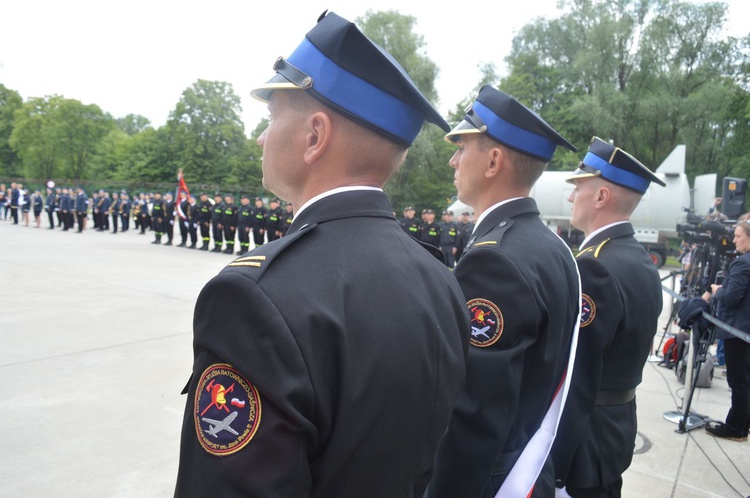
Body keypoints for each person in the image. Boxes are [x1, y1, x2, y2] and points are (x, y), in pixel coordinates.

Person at [174, 11, 470, 497]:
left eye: (272, 116)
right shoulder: (440, 279)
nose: (262, 137)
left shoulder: (255, 299)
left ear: (314, 136)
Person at [426, 85, 581, 498]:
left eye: (462, 146)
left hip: (493, 483)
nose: (452, 159)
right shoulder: (551, 246)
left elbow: (471, 417)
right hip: (528, 468)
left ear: (493, 161)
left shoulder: (494, 261)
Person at [550, 137, 666, 498]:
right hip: (613, 431)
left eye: (578, 187)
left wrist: (554, 457)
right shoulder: (638, 260)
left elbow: (575, 377)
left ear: (601, 197)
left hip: (583, 443)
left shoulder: (596, 265)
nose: (570, 197)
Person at [702, 218, 750, 441]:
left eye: (738, 236)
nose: (734, 240)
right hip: (744, 329)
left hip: (737, 330)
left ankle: (736, 427)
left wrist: (717, 290)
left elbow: (731, 297)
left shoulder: (742, 263)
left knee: (738, 381)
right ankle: (742, 424)